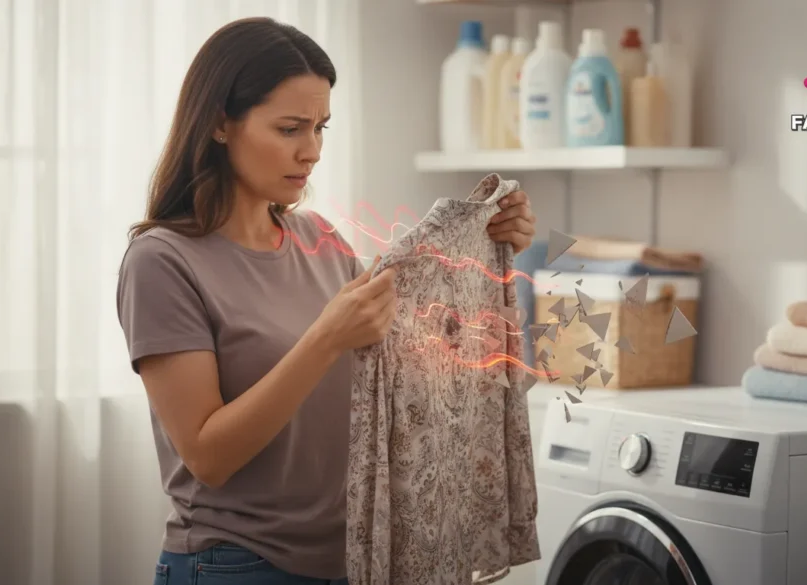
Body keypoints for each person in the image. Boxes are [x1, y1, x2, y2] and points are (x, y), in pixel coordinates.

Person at [116, 17, 537, 585]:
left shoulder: (321, 240)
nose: (311, 151)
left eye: (320, 128)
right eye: (290, 128)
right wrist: (324, 339)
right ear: (220, 123)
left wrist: (492, 249)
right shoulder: (162, 261)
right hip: (235, 565)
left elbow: (421, 365)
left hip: (353, 561)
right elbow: (208, 456)